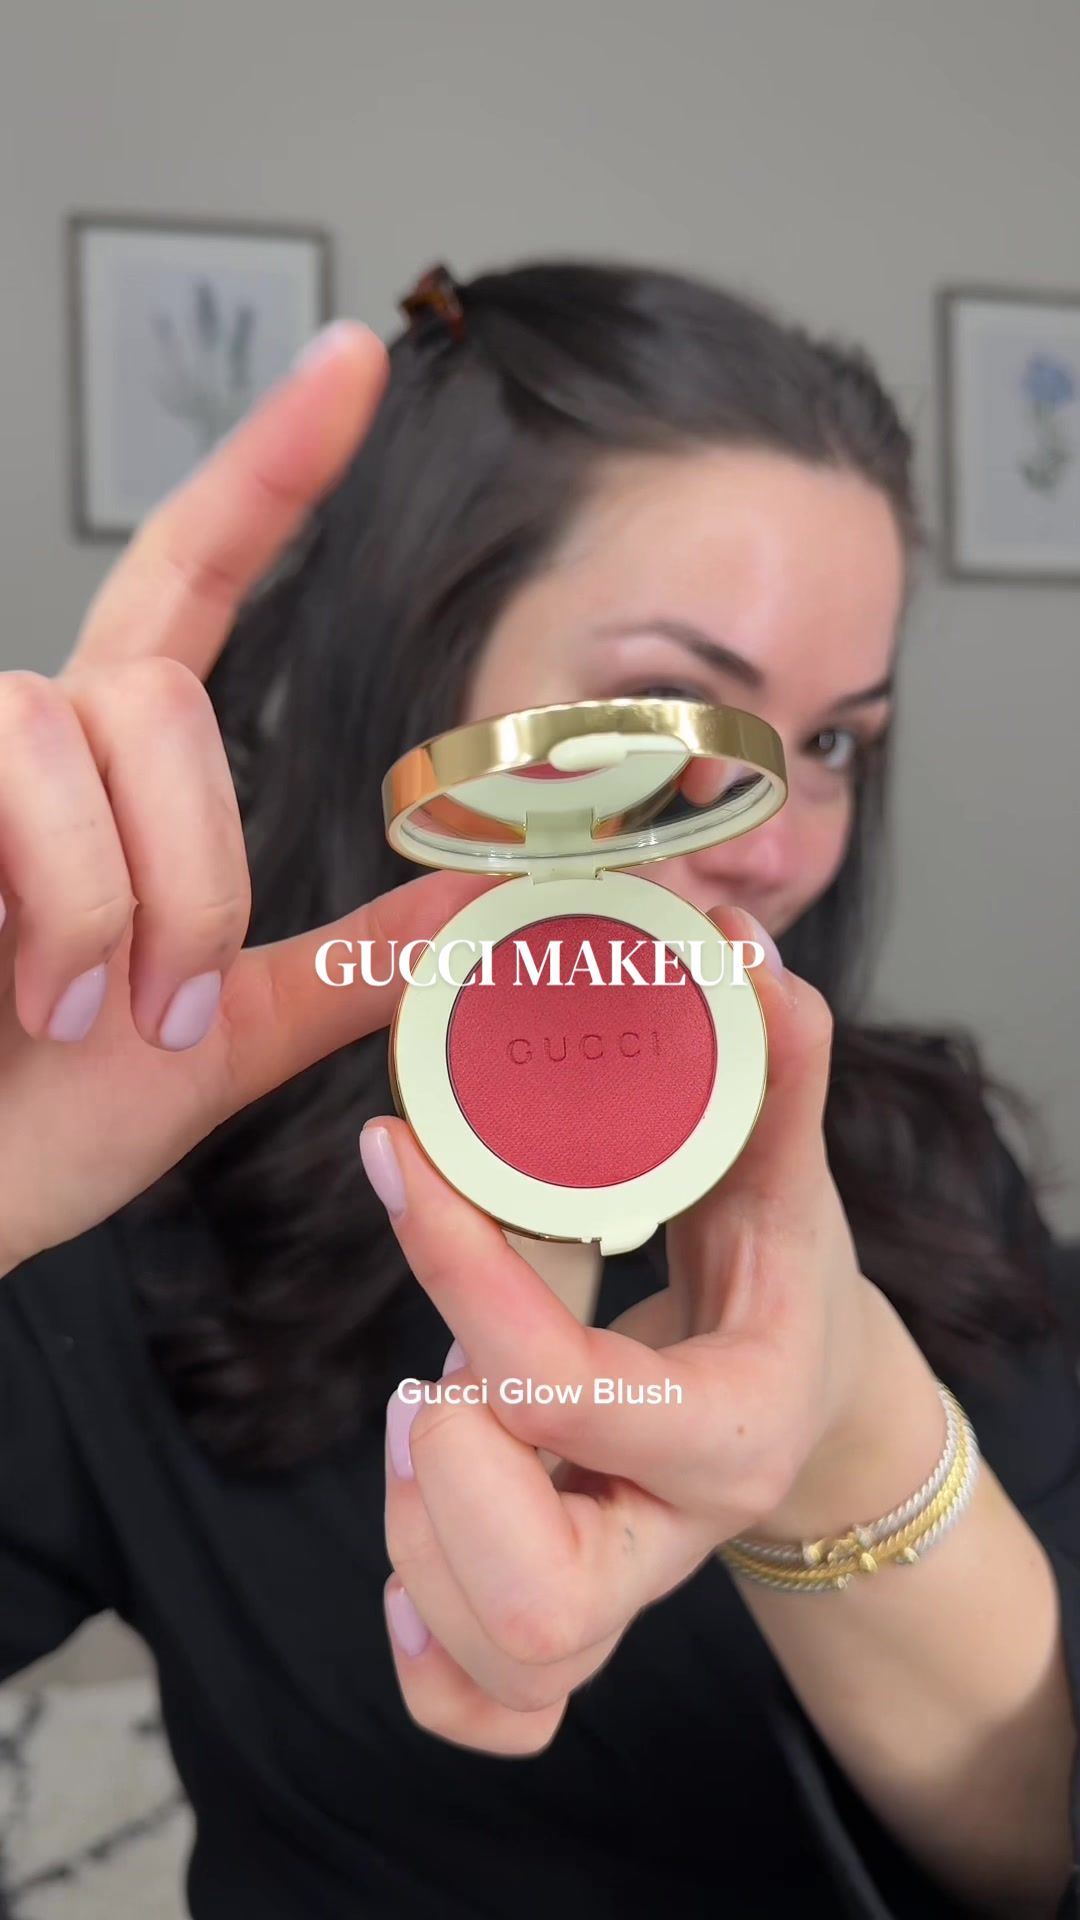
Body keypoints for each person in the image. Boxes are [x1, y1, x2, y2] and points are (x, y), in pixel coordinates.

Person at [0, 256, 1077, 1919]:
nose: (771, 842)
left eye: (836, 741)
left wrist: (854, 1438)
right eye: (670, 706)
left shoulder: (929, 1171)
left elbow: (1041, 1851)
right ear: (419, 673)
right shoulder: (123, 1218)